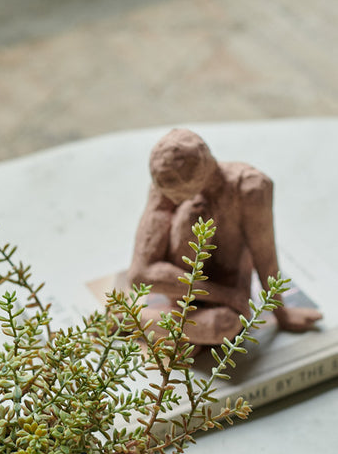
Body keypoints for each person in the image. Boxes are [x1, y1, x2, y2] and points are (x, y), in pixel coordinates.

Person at [127, 128, 322, 345]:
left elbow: (264, 254)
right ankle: (133, 320)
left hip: (227, 291)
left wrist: (281, 312)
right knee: (191, 215)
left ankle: (160, 326)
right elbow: (140, 274)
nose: (171, 199)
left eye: (180, 195)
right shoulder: (163, 188)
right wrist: (223, 295)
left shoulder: (249, 188)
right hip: (184, 293)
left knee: (223, 326)